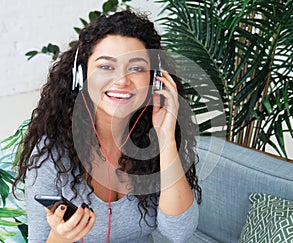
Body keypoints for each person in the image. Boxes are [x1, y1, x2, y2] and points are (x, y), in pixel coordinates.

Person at [13, 10, 202, 243]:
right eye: (106, 67)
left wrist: (166, 138)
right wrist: (61, 237)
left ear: (154, 80)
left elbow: (179, 232)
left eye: (136, 68)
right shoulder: (51, 154)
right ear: (81, 76)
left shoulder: (154, 139)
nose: (122, 81)